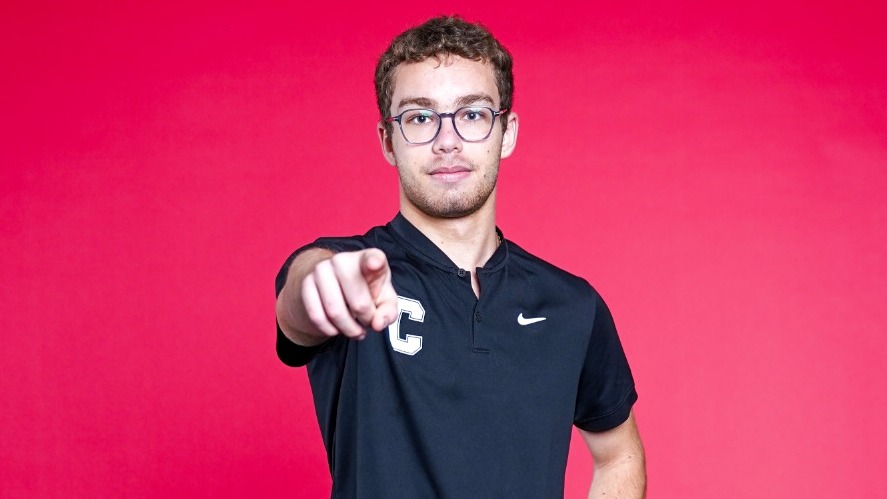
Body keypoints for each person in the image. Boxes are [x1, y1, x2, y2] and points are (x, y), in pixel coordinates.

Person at [275, 15, 645, 498]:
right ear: (389, 141)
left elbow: (618, 452)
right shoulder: (351, 270)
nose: (446, 140)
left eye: (472, 114)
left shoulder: (572, 306)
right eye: (420, 117)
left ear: (506, 132)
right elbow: (300, 303)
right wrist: (320, 283)